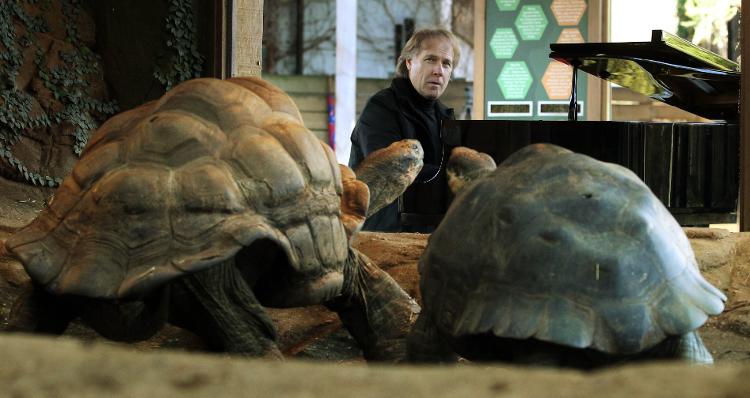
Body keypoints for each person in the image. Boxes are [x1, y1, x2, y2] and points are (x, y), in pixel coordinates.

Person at [348, 27, 461, 232]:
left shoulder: (446, 116)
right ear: (409, 62)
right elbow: (393, 170)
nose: (439, 70)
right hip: (383, 233)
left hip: (429, 230)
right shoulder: (381, 108)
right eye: (430, 59)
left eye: (446, 63)